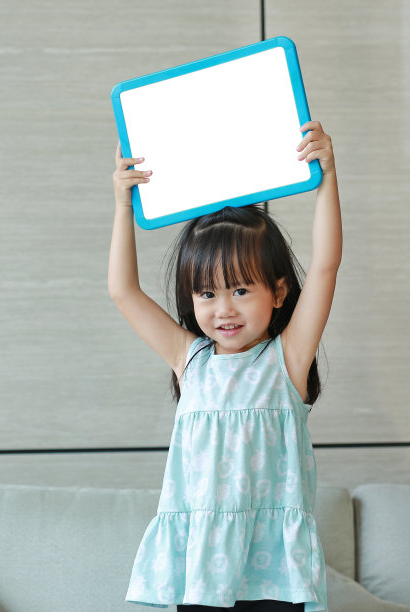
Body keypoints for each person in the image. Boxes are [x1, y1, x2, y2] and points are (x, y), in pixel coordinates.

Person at [109, 120, 342, 612]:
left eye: (240, 289)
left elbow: (325, 266)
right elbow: (123, 291)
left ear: (278, 292)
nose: (224, 309)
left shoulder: (287, 359)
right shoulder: (190, 360)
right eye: (207, 293)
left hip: (275, 574)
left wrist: (327, 178)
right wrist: (123, 206)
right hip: (201, 570)